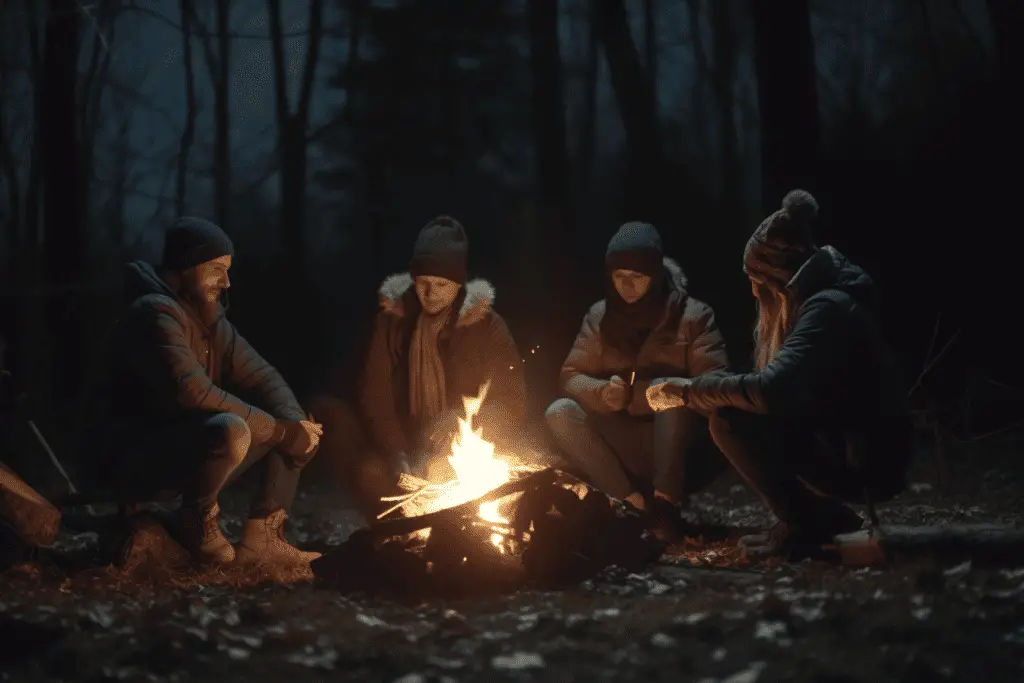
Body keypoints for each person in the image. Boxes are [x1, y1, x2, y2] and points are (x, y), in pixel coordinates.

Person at [646, 190, 913, 559]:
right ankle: (817, 519)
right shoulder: (821, 300)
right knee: (730, 406)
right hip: (845, 442)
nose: (754, 292)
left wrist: (687, 391)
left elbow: (771, 390)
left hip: (866, 459)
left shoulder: (827, 309)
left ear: (775, 278)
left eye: (756, 280)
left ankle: (804, 523)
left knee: (730, 419)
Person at [99, 217, 323, 566]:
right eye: (217, 269)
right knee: (235, 430)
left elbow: (262, 376)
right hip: (131, 456)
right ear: (187, 266)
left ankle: (263, 537)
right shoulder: (154, 315)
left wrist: (295, 424)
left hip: (179, 444)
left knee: (292, 424)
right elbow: (193, 392)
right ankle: (195, 520)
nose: (227, 281)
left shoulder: (208, 318)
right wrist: (282, 431)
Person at [308, 216, 528, 519]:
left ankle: (440, 522)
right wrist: (397, 452)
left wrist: (465, 422)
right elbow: (375, 395)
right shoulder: (391, 323)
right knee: (368, 472)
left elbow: (512, 400)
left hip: (459, 447)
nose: (431, 293)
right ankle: (392, 530)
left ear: (459, 283)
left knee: (444, 477)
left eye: (442, 284)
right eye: (424, 283)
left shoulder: (486, 326)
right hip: (403, 443)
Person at [544, 222, 731, 528]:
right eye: (620, 277)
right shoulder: (599, 317)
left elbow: (715, 387)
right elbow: (571, 375)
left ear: (655, 276)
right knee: (559, 412)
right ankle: (630, 503)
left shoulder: (693, 317)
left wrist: (642, 396)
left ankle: (665, 506)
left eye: (637, 278)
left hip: (681, 450)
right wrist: (603, 393)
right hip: (624, 445)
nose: (627, 287)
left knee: (666, 392)